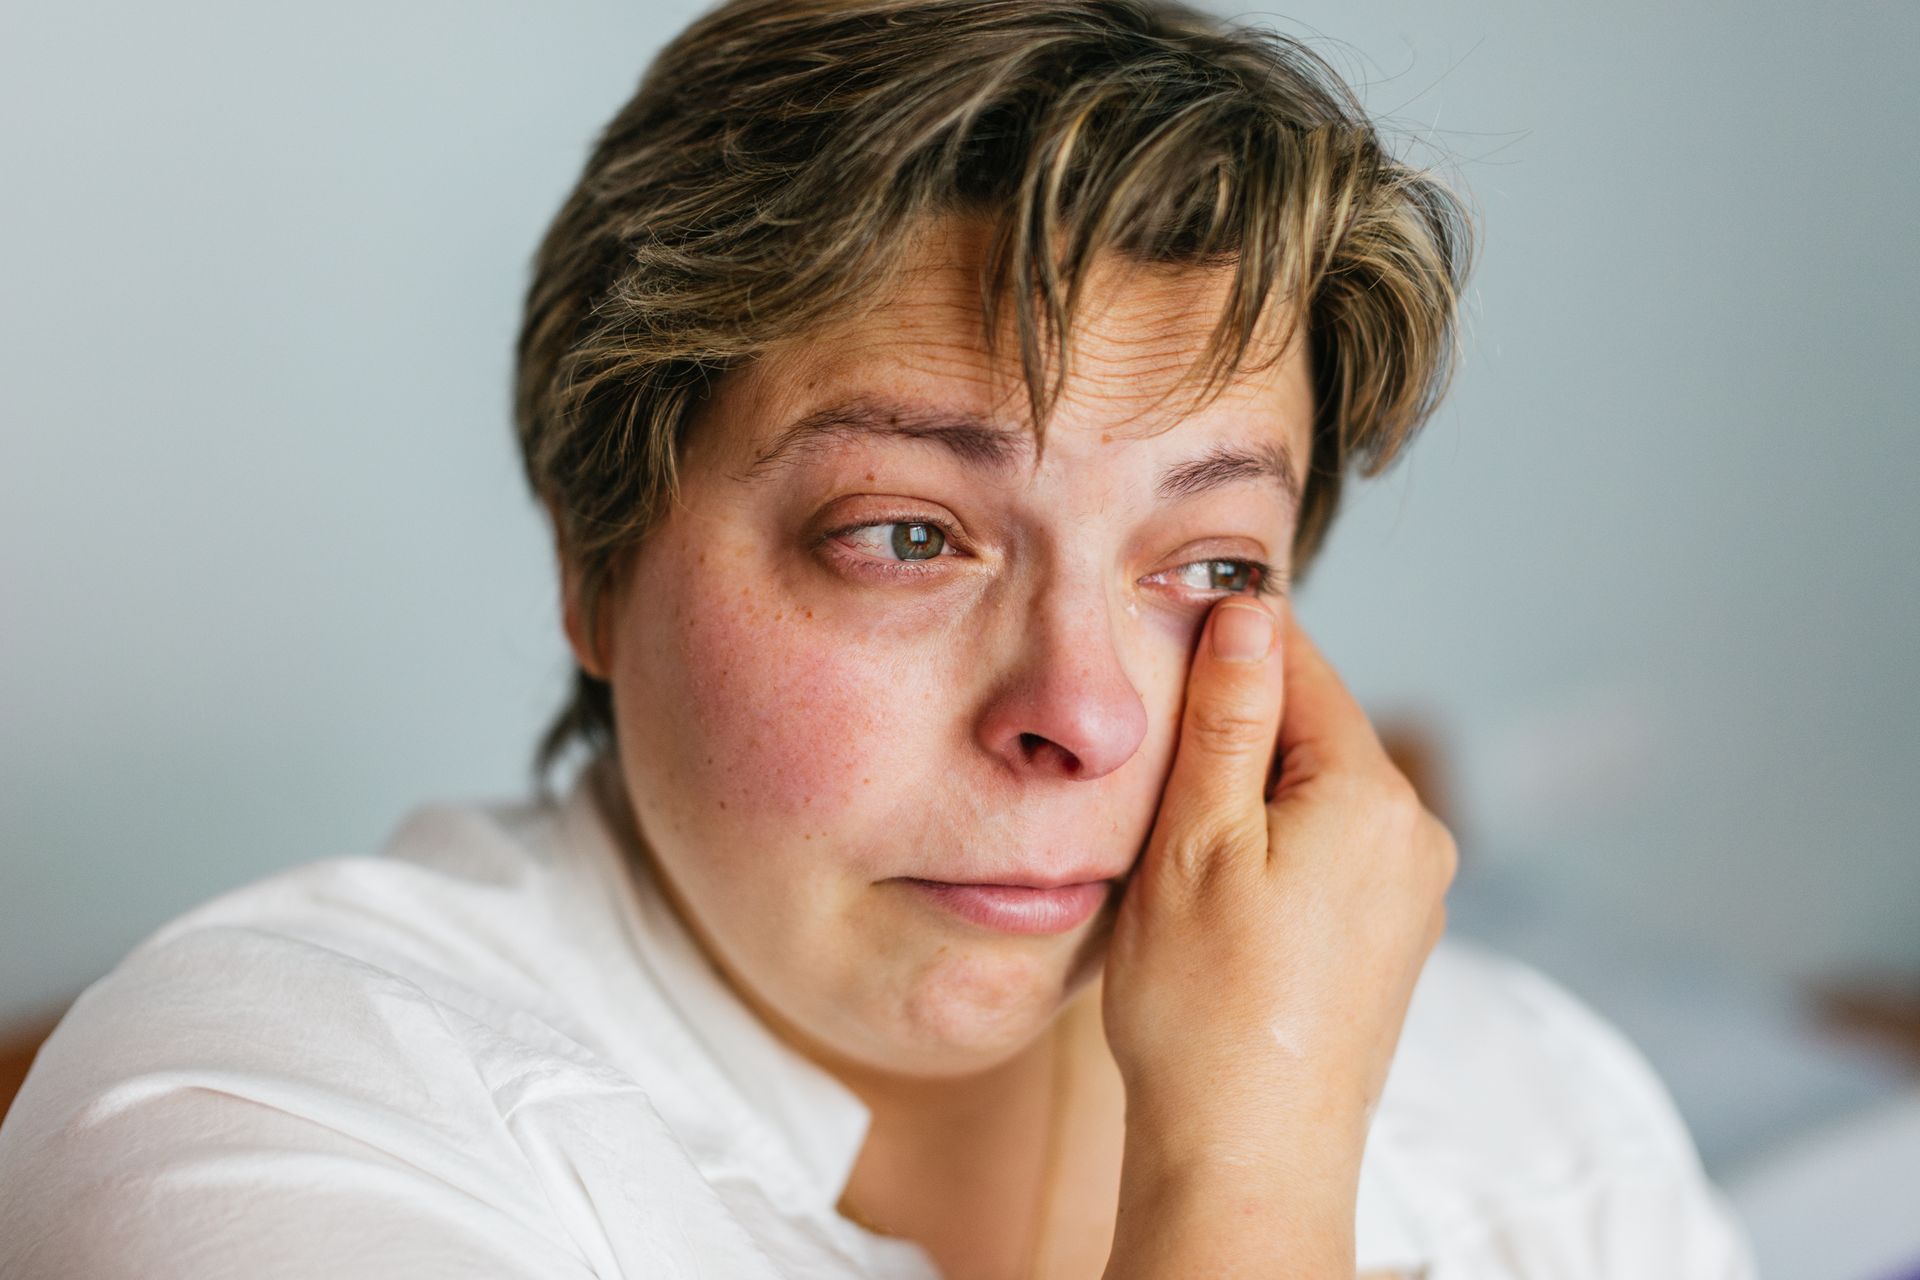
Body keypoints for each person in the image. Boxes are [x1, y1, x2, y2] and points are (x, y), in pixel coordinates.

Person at [0, 1, 1759, 1276]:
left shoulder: (1538, 1116)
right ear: (598, 565)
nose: (1079, 714)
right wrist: (1249, 1175)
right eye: (908, 535)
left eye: (1206, 564)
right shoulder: (258, 1104)